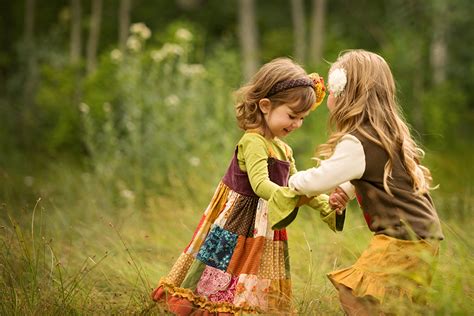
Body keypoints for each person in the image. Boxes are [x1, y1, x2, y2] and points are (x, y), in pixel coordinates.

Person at [151, 57, 344, 315]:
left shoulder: (284, 148)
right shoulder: (253, 141)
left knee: (253, 274)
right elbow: (261, 184)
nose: (297, 124)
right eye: (292, 116)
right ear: (265, 105)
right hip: (239, 220)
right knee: (226, 268)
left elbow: (297, 186)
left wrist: (325, 206)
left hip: (264, 224)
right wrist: (286, 196)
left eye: (302, 119)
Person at [278, 49, 444, 315]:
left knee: (355, 294)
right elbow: (377, 174)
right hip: (422, 237)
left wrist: (291, 179)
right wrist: (347, 188)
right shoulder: (388, 134)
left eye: (333, 87)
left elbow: (320, 179)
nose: (330, 94)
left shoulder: (358, 140)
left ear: (347, 94)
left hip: (401, 239)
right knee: (394, 304)